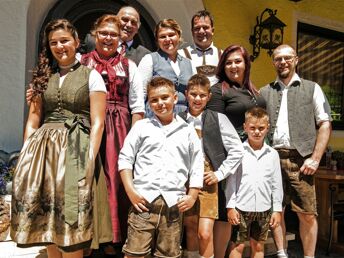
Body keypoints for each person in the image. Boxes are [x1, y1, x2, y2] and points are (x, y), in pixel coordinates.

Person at [10, 19, 112, 258]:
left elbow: (98, 122)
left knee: (72, 222)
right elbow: (33, 121)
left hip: (76, 150)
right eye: (53, 42)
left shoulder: (92, 76)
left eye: (64, 40)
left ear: (77, 42)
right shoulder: (43, 77)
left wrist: (89, 157)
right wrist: (26, 156)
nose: (59, 46)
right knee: (48, 223)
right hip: (43, 155)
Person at [80, 14, 145, 254]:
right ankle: (88, 237)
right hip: (88, 125)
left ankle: (114, 240)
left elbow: (137, 107)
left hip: (119, 130)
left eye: (113, 34)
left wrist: (134, 141)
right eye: (103, 33)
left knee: (115, 182)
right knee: (90, 179)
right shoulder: (82, 62)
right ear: (94, 34)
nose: (108, 38)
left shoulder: (130, 66)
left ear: (120, 38)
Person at [117, 76, 204, 258]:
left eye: (164, 97)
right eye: (154, 100)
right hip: (143, 202)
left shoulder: (187, 131)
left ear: (174, 98)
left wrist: (193, 195)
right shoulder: (141, 127)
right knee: (134, 253)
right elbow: (125, 159)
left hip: (174, 203)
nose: (160, 103)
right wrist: (131, 190)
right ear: (148, 103)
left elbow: (196, 165)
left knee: (168, 254)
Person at [260, 44, 332, 258]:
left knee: (307, 213)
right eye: (278, 59)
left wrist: (315, 159)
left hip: (302, 161)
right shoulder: (265, 92)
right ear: (273, 62)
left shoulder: (312, 88)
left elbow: (325, 124)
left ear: (296, 60)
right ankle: (282, 253)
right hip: (272, 159)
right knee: (277, 212)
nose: (283, 62)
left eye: (287, 58)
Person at [206, 44, 266, 258]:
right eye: (228, 62)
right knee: (224, 214)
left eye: (237, 61)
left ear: (246, 63)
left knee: (243, 213)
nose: (233, 66)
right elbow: (213, 130)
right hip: (229, 160)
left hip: (254, 159)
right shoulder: (218, 90)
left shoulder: (252, 90)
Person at [179, 74, 243, 258]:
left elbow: (237, 150)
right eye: (193, 94)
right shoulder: (179, 120)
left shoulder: (219, 119)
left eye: (201, 95)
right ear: (186, 94)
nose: (197, 99)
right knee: (190, 227)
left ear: (208, 97)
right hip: (186, 182)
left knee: (204, 233)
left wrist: (220, 173)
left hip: (208, 181)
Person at [226, 107, 283, 258]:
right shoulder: (238, 151)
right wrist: (231, 206)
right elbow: (231, 181)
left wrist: (277, 209)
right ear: (245, 127)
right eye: (252, 128)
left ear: (267, 128)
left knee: (258, 247)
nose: (257, 132)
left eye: (261, 128)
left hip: (264, 209)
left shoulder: (273, 154)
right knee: (237, 246)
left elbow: (277, 184)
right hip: (241, 208)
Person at [138, 19, 193, 117]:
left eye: (171, 35)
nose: (167, 39)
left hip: (184, 117)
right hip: (156, 117)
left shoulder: (189, 63)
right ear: (157, 41)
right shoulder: (149, 59)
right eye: (162, 36)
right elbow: (140, 93)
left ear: (179, 36)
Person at [179, 10, 221, 86]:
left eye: (205, 27)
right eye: (197, 28)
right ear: (192, 32)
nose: (201, 31)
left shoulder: (223, 55)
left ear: (213, 30)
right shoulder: (180, 55)